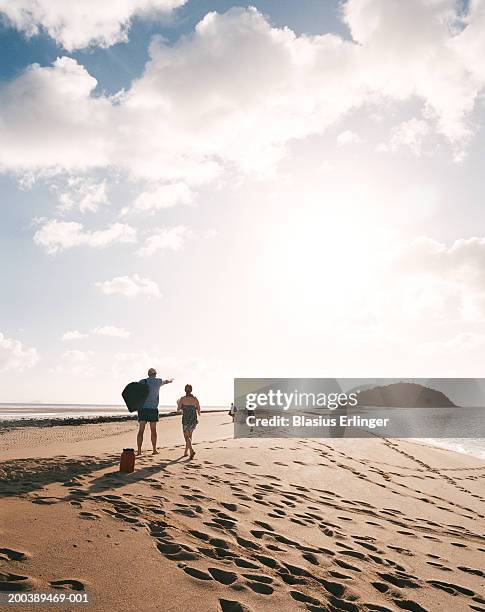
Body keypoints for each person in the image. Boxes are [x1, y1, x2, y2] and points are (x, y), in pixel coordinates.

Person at [137, 368, 173, 456]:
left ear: (148, 374)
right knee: (153, 430)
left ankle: (139, 451)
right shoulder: (158, 381)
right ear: (155, 374)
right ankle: (154, 450)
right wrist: (170, 380)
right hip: (153, 409)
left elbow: (135, 390)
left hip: (142, 409)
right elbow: (166, 381)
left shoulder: (142, 381)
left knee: (141, 430)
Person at [176, 384, 201, 460]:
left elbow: (178, 409)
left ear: (185, 390)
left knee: (186, 437)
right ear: (191, 390)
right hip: (193, 419)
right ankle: (186, 452)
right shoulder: (195, 398)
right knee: (190, 436)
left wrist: (179, 404)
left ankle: (191, 450)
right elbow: (199, 409)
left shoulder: (182, 399)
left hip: (186, 420)